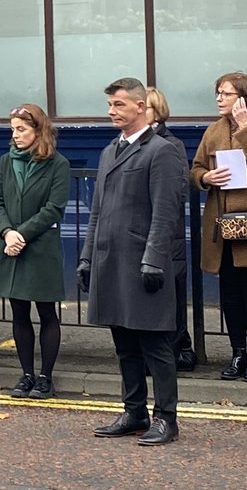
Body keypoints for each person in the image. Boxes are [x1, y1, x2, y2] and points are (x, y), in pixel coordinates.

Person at [79, 78, 184, 446]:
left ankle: (166, 418)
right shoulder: (110, 150)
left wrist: (154, 259)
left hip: (143, 263)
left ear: (141, 106)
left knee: (155, 346)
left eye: (119, 104)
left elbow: (166, 212)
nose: (112, 111)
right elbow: (98, 211)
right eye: (110, 105)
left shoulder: (162, 151)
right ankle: (134, 411)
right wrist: (87, 256)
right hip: (111, 262)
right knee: (124, 344)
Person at [190, 71, 247, 382]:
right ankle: (237, 352)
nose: (219, 98)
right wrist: (205, 178)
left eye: (225, 93)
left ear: (243, 99)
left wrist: (245, 128)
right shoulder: (213, 131)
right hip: (221, 223)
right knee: (229, 291)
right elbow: (197, 167)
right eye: (218, 93)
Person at [0, 103, 68, 399]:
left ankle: (46, 376)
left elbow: (54, 208)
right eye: (12, 130)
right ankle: (26, 375)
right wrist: (7, 232)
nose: (15, 135)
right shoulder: (7, 161)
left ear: (38, 130)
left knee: (47, 312)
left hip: (40, 248)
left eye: (21, 129)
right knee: (19, 312)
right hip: (10, 246)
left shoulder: (57, 163)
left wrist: (22, 234)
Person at [145, 87, 197, 372]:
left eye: (146, 108)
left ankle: (180, 348)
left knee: (171, 295)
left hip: (166, 233)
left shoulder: (171, 144)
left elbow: (178, 188)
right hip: (142, 233)